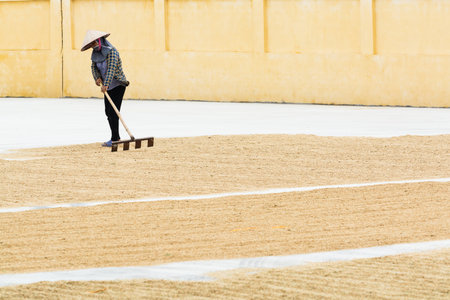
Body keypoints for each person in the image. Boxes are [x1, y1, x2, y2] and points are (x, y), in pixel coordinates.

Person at [81, 30, 129, 147]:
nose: (93, 46)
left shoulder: (112, 52)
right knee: (108, 112)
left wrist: (106, 83)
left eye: (94, 43)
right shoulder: (95, 54)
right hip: (107, 88)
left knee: (114, 112)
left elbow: (111, 69)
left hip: (118, 85)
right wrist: (97, 78)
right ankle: (115, 137)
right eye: (91, 44)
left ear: (100, 41)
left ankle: (115, 139)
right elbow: (93, 67)